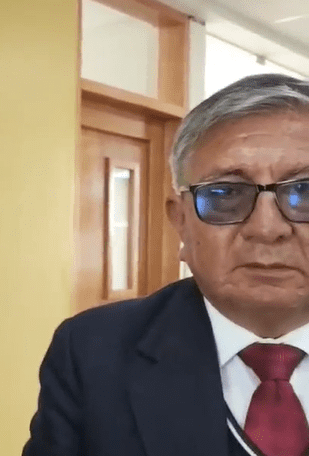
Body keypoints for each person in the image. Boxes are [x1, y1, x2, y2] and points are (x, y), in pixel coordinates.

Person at [24, 73, 309, 456]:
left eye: (305, 191)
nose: (267, 229)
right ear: (180, 222)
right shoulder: (94, 352)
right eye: (225, 194)